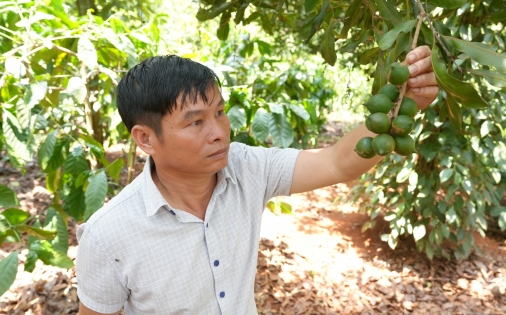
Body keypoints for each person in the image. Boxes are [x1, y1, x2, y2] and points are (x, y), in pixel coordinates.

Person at [75, 46, 439, 315]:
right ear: (145, 139)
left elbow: (335, 162)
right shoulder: (109, 236)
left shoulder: (246, 167)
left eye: (220, 112)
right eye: (196, 122)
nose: (219, 132)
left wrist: (403, 103)